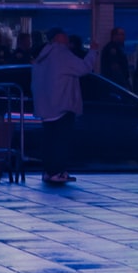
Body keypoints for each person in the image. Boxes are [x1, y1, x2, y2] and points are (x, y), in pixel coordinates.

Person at [30, 27, 94, 187]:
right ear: (59, 38)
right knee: (60, 141)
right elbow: (84, 68)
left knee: (49, 140)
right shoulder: (62, 54)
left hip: (45, 106)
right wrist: (93, 52)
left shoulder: (42, 56)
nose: (68, 39)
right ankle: (57, 171)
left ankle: (48, 171)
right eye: (65, 36)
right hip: (62, 105)